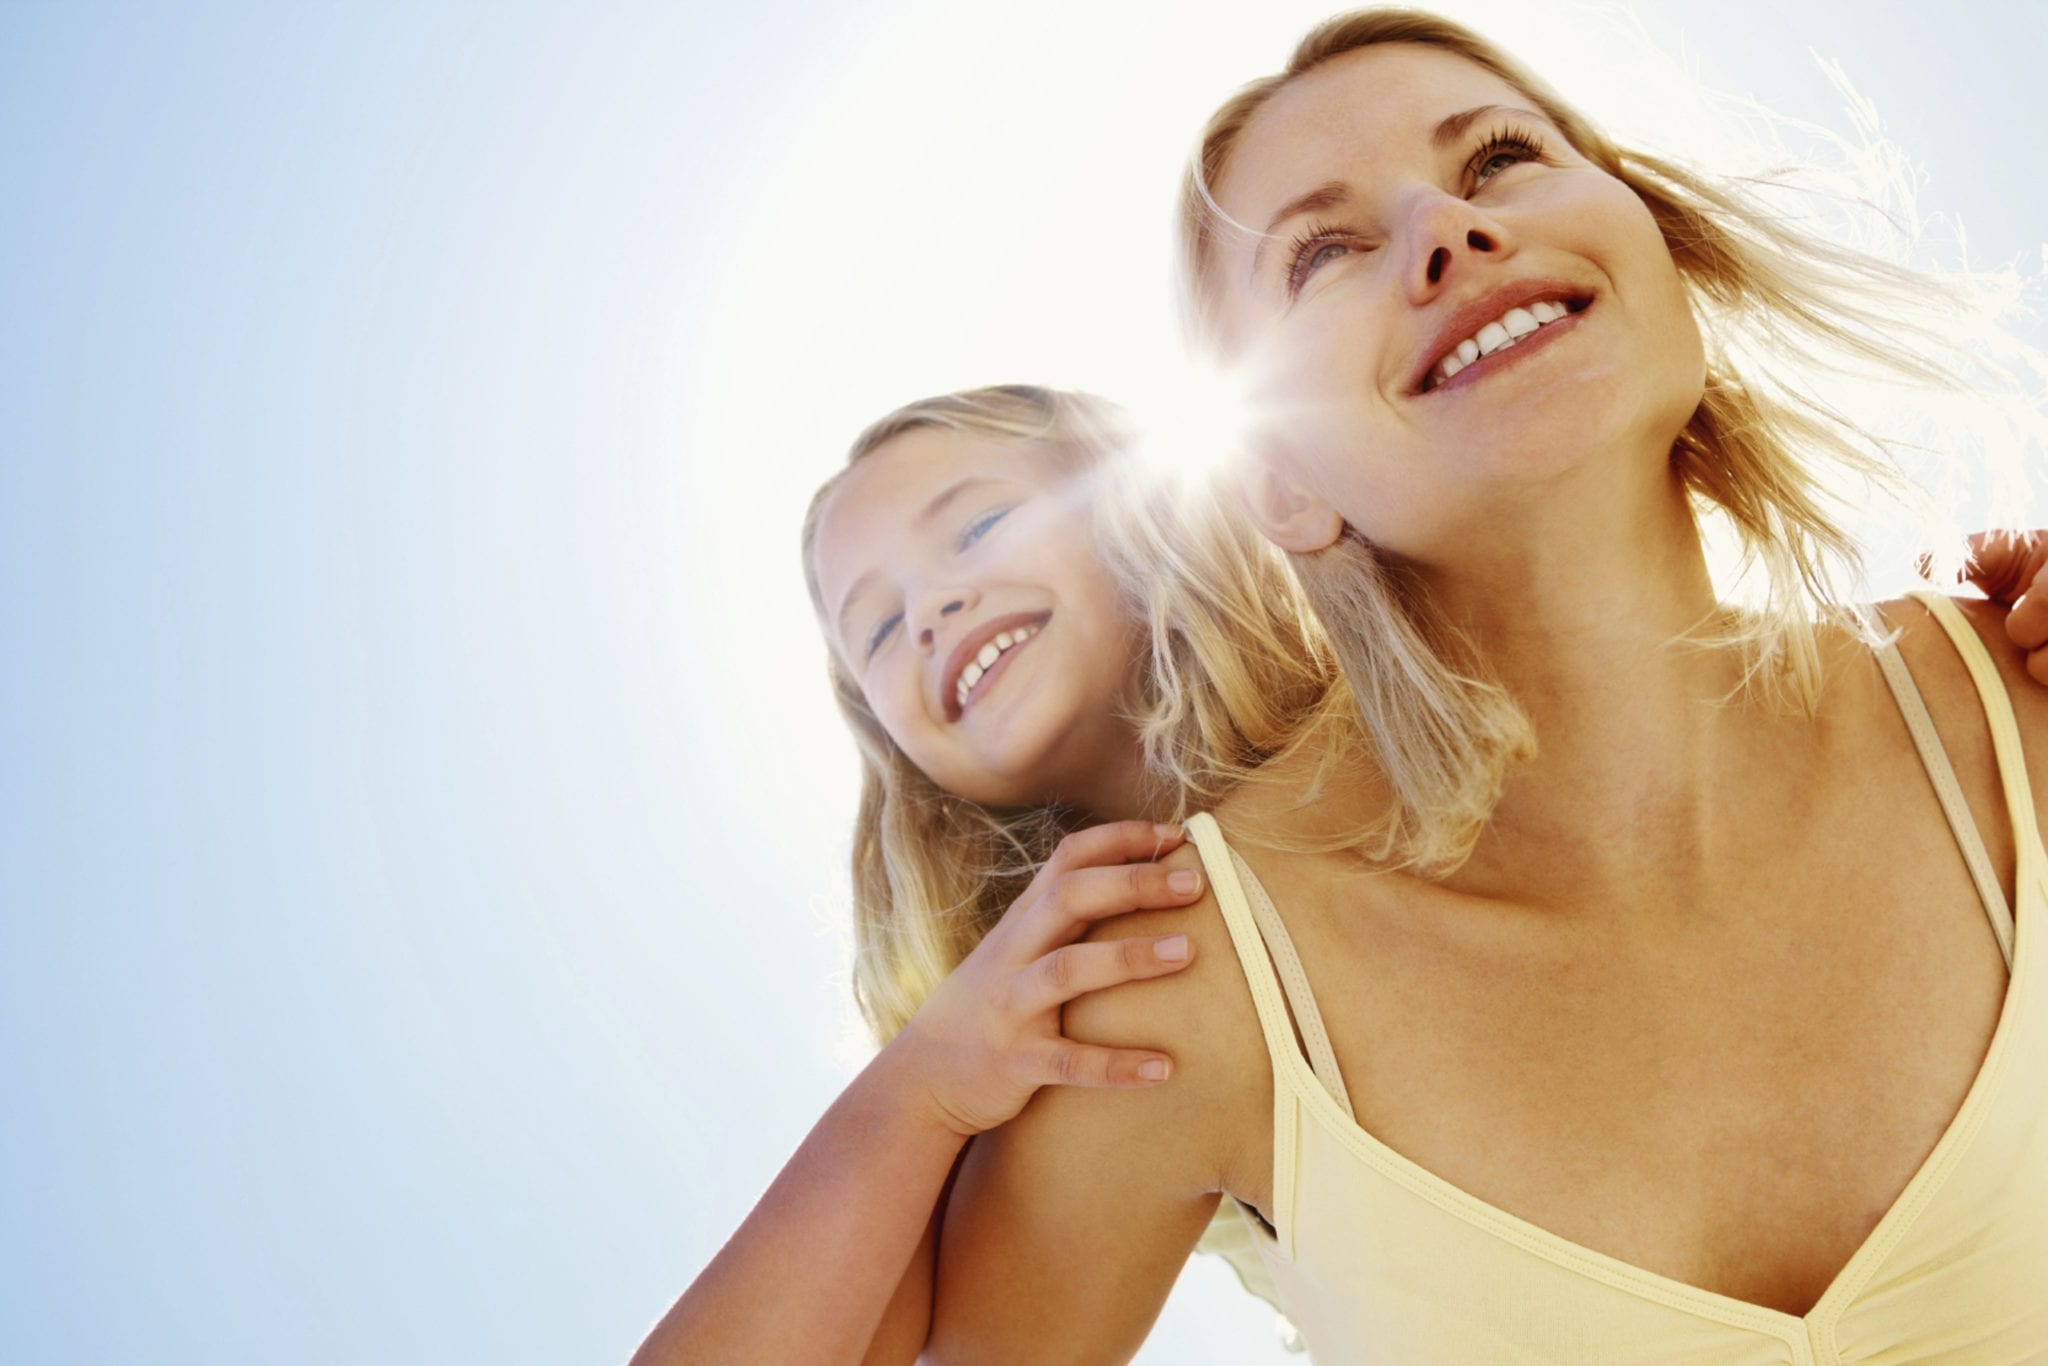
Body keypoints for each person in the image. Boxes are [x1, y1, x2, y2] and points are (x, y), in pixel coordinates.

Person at [927, 10, 2048, 1363]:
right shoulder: (1192, 985)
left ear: (1654, 247)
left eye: (1499, 159)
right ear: (1280, 483)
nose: (1447, 233)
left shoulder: (2013, 712)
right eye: (1323, 251)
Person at [639, 384, 2046, 1363]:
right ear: (895, 749)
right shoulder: (1113, 1012)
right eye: (872, 627)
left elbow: (1674, 682)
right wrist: (924, 1079)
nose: (929, 605)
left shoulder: (1445, 676)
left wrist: (1976, 636)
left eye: (975, 526)